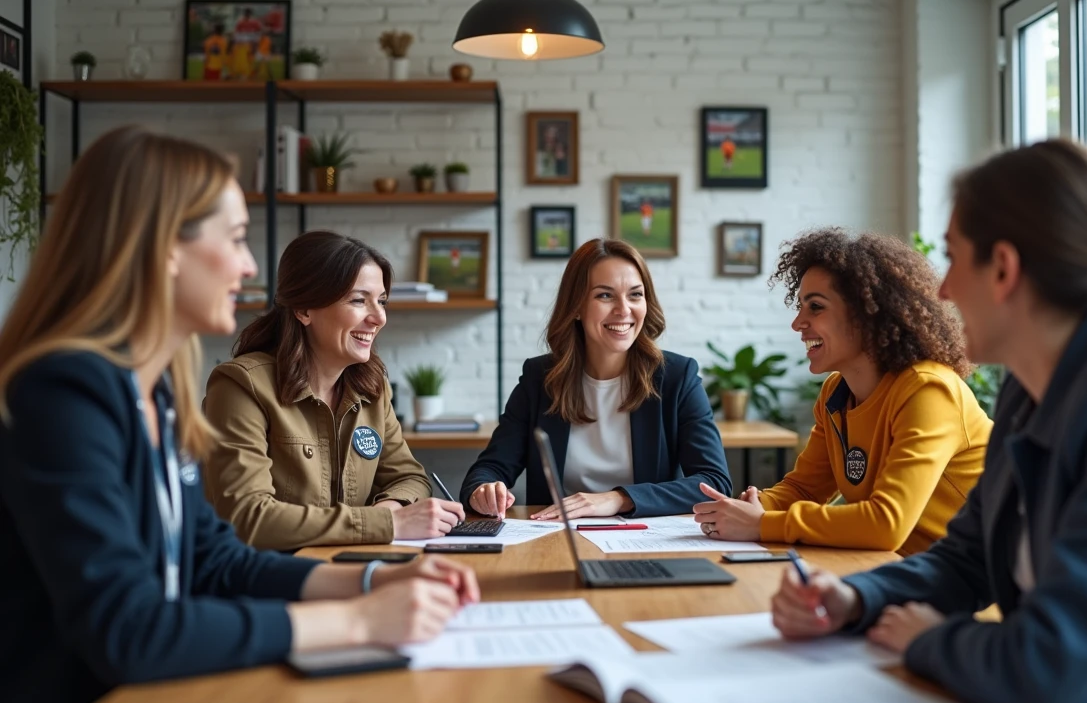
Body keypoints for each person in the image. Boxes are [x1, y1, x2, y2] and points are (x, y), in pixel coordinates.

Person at [0, 126, 479, 703]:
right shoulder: (63, 395)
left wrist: (375, 578)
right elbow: (129, 628)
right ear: (164, 247)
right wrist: (361, 620)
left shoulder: (154, 393)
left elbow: (217, 562)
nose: (250, 266)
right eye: (233, 239)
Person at [770, 139, 1087, 703]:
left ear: (1003, 268)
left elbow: (1057, 663)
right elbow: (966, 559)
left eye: (951, 257)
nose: (942, 289)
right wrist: (855, 599)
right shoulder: (1031, 391)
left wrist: (932, 641)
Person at [693, 229, 992, 555]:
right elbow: (803, 488)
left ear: (868, 314)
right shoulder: (836, 394)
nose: (797, 323)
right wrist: (753, 506)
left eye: (815, 307)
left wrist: (761, 524)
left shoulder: (928, 390)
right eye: (801, 306)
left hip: (977, 579)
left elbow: (886, 524)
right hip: (900, 568)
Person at [203, 230, 466, 550]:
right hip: (273, 573)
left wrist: (389, 511)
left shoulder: (373, 388)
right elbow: (247, 517)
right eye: (359, 300)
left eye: (381, 301)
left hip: (351, 564)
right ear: (304, 310)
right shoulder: (240, 386)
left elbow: (409, 478)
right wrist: (388, 524)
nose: (379, 317)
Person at [461, 238, 731, 519]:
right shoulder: (539, 378)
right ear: (576, 306)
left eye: (635, 295)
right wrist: (484, 491)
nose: (624, 309)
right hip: (557, 535)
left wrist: (619, 499)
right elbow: (489, 469)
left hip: (644, 536)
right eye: (605, 295)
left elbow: (714, 482)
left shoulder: (677, 377)